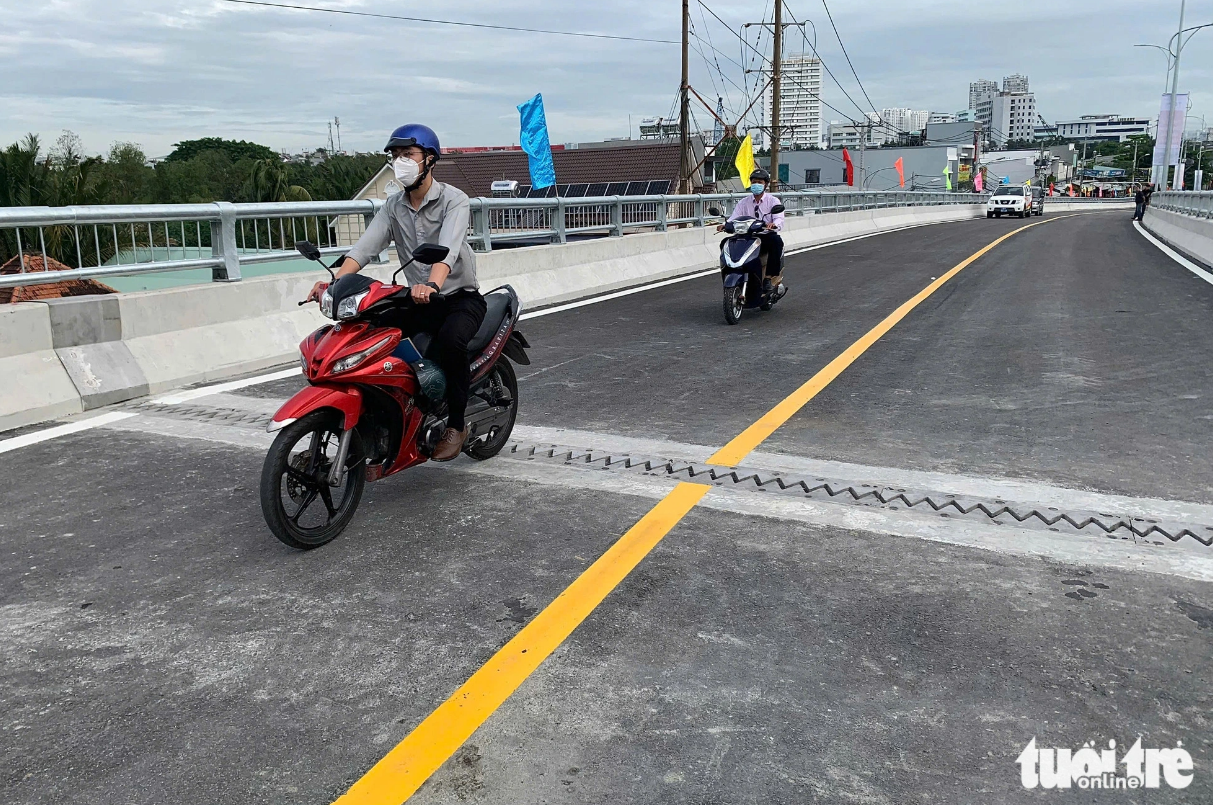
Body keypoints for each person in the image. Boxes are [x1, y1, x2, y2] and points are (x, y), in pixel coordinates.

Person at [305, 124, 485, 461]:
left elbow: (446, 250)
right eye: (395, 156)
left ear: (429, 159)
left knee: (451, 342)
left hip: (457, 297)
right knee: (372, 331)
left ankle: (457, 424)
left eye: (408, 155)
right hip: (415, 297)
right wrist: (333, 285)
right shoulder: (392, 207)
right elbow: (362, 250)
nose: (400, 161)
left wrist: (432, 284)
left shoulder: (454, 200)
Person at [719, 168, 785, 292]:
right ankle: (730, 271)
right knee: (725, 243)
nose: (756, 185)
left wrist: (773, 224)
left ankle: (769, 278)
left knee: (776, 241)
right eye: (754, 182)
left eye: (760, 182)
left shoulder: (773, 201)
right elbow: (734, 217)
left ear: (766, 184)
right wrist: (725, 225)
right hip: (746, 236)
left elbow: (779, 219)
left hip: (764, 236)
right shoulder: (744, 202)